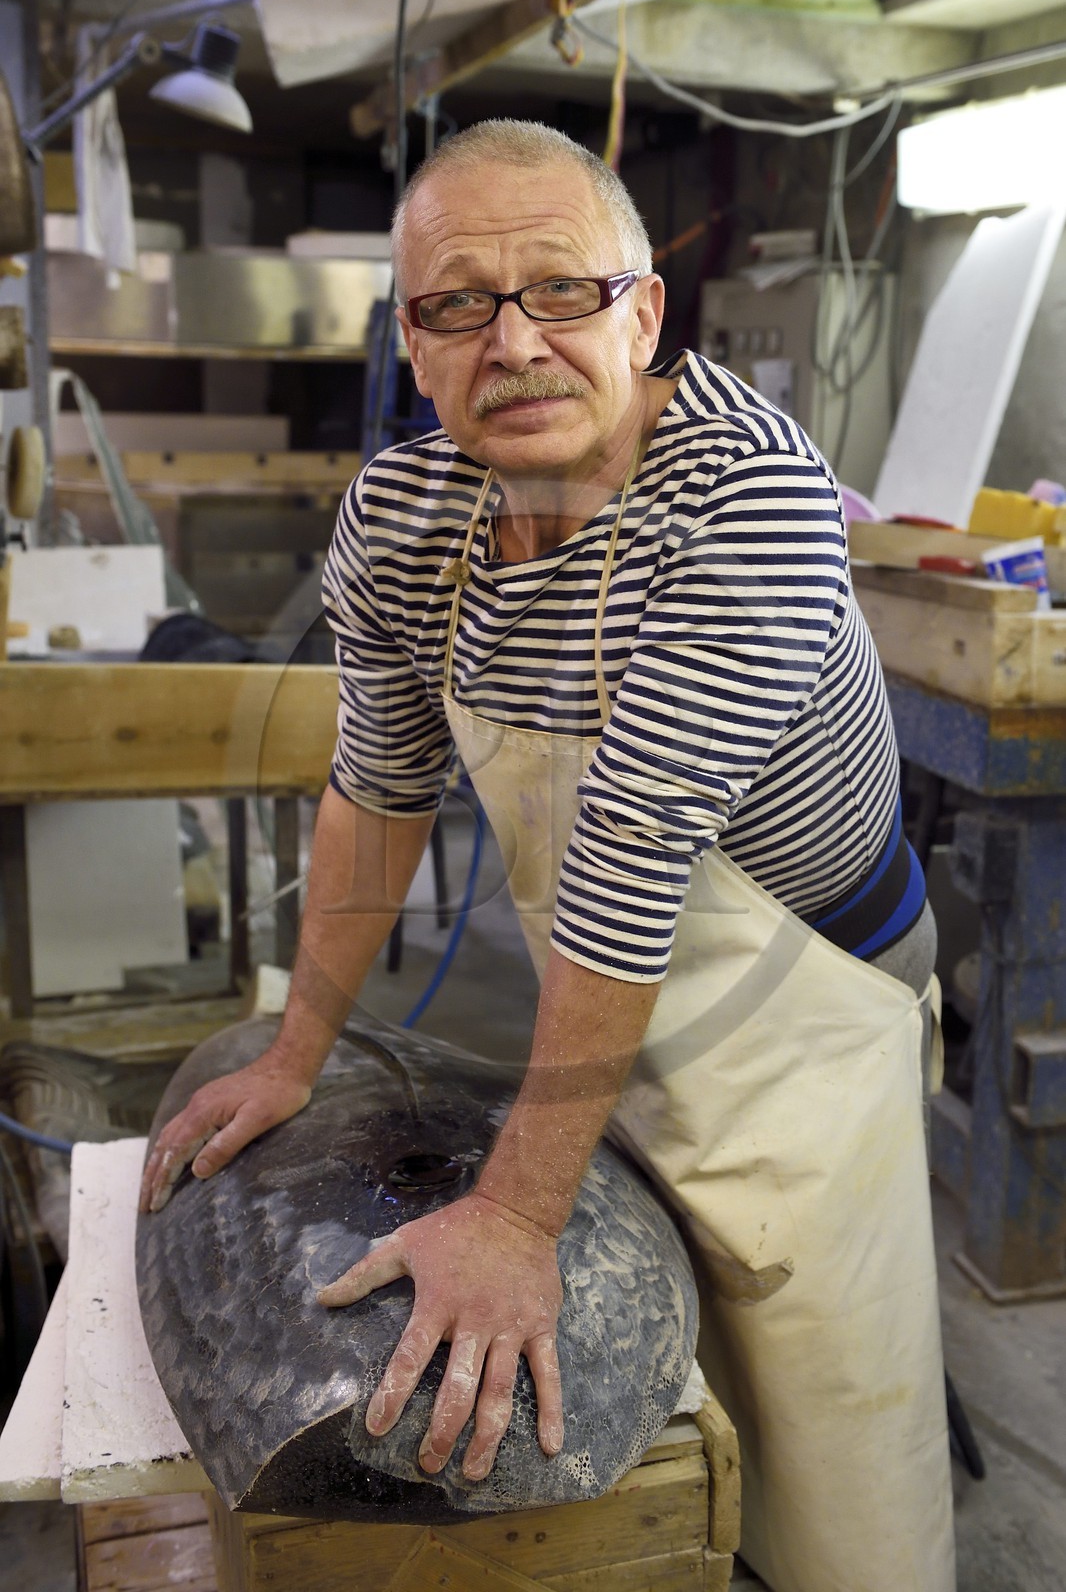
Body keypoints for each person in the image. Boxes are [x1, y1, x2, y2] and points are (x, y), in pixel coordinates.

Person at [140, 120, 955, 1592]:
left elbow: (633, 861)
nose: (512, 342)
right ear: (415, 340)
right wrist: (293, 1052)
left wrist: (516, 1213)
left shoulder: (747, 502)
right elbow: (375, 793)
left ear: (643, 314)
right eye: (459, 303)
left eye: (562, 293)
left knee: (832, 1420)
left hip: (806, 1000)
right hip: (610, 984)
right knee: (644, 1395)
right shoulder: (401, 519)